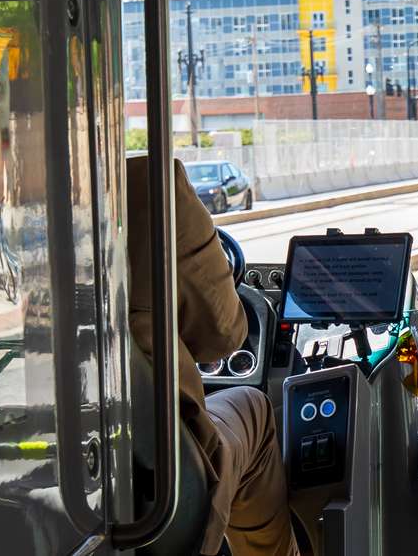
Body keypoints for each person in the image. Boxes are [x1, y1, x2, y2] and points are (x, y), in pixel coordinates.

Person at [126, 156, 298, 556]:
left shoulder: (12, 210)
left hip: (69, 467)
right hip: (160, 471)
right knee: (254, 404)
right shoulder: (147, 186)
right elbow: (223, 337)